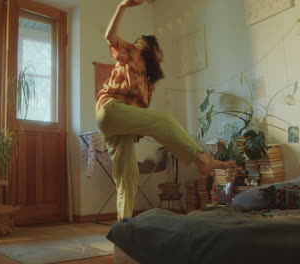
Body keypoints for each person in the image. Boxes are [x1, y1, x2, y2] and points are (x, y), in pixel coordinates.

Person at [96, 0, 235, 220]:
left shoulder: (149, 83)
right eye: (159, 49)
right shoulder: (134, 53)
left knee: (128, 177)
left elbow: (140, 115)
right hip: (110, 109)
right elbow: (110, 37)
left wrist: (136, 127)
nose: (162, 54)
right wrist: (122, 6)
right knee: (165, 120)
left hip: (119, 124)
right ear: (149, 47)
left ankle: (124, 226)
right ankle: (202, 160)